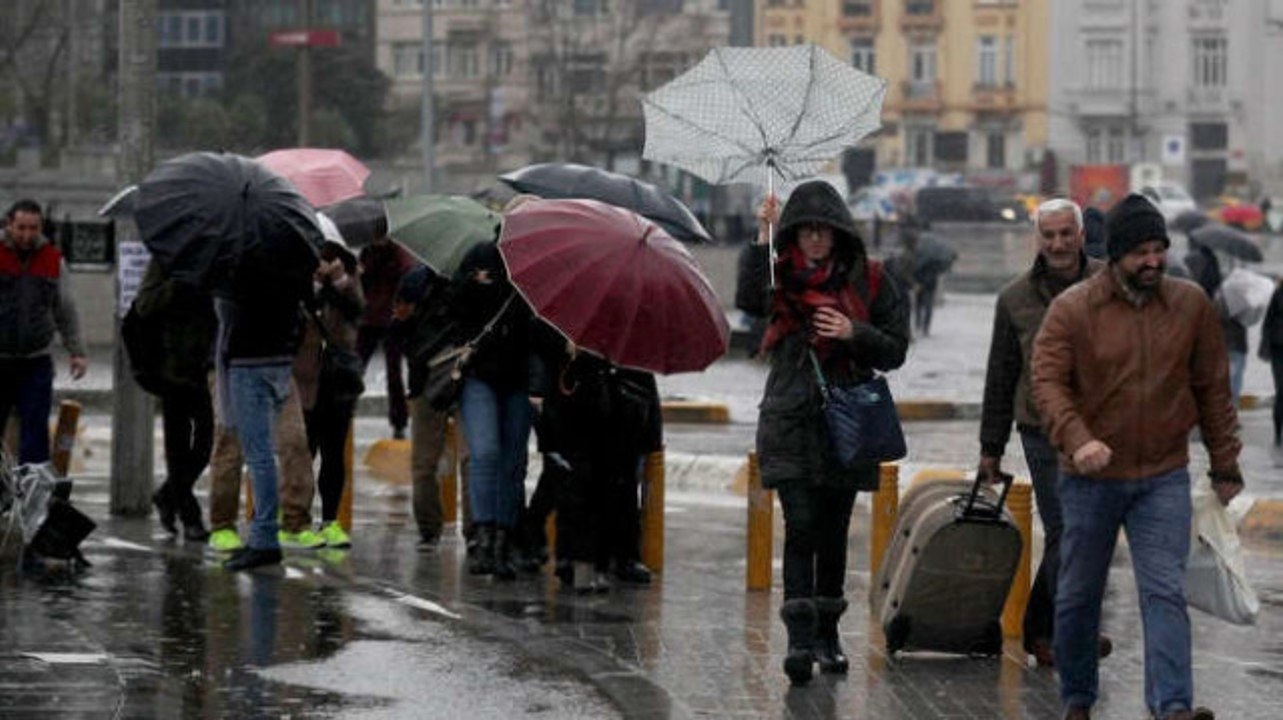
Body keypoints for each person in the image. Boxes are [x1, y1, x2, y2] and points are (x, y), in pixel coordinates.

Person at [1031, 193, 1243, 720]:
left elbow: (1213, 387)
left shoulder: (1190, 304)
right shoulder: (1073, 310)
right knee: (1079, 596)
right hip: (1089, 480)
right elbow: (1048, 383)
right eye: (1140, 252)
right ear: (1117, 255)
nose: (1152, 261)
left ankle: (1172, 706)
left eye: (1159, 249)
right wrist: (1078, 439)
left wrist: (1225, 463)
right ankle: (1078, 696)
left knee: (1164, 591)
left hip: (1163, 476)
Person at [735, 180, 909, 685]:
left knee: (832, 531)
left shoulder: (870, 280)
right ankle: (799, 641)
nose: (814, 240)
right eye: (805, 231)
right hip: (790, 415)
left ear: (839, 235)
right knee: (801, 524)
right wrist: (763, 231)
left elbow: (895, 349)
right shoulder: (780, 275)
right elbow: (748, 297)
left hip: (847, 420)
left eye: (823, 232)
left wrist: (854, 332)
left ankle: (828, 634)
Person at [977, 198, 1108, 667]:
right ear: (1038, 239)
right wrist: (990, 448)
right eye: (1048, 235)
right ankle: (1056, 632)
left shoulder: (1108, 283)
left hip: (1101, 428)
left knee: (1090, 531)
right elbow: (1000, 375)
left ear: (1081, 235)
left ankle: (1055, 629)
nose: (1057, 244)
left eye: (1065, 234)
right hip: (1041, 429)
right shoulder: (1015, 298)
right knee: (1067, 528)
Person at [217, 230, 320, 572]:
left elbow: (228, 315)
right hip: (278, 362)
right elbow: (304, 313)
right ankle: (266, 532)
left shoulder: (240, 263)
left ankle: (263, 538)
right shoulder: (295, 260)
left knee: (258, 454)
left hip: (249, 362)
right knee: (270, 452)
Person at [451, 241, 532, 580]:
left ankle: (505, 538)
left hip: (522, 378)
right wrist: (478, 283)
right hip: (479, 373)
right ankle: (482, 535)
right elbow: (453, 304)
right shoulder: (481, 255)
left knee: (513, 461)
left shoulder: (543, 270)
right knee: (484, 453)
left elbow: (544, 328)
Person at [129, 261, 216, 541]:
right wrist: (177, 284)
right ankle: (190, 517)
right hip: (171, 367)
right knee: (177, 448)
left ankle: (168, 495)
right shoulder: (166, 259)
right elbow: (144, 305)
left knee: (205, 445)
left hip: (205, 367)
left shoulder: (215, 260)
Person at [0, 199, 88, 464]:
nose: (27, 235)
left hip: (35, 360)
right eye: (21, 228)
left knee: (35, 435)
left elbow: (66, 308)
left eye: (33, 228)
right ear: (9, 225)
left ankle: (31, 496)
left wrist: (77, 352)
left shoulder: (51, 260)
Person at [395, 264, 472, 550]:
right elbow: (398, 330)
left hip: (443, 378)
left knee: (440, 461)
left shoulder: (417, 281)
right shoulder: (419, 282)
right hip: (437, 379)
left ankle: (436, 531)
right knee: (451, 459)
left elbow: (398, 332)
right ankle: (457, 531)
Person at [297, 242, 365, 548]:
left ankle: (330, 519)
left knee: (334, 454)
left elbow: (357, 312)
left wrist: (339, 281)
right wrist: (313, 282)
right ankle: (295, 518)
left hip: (339, 382)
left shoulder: (348, 279)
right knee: (301, 452)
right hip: (306, 381)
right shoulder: (299, 279)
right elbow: (293, 316)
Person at [357, 233, 417, 440]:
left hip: (388, 318)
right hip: (372, 317)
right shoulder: (370, 252)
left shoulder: (396, 253)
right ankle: (398, 421)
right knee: (358, 370)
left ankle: (399, 421)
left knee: (394, 373)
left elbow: (406, 276)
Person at [1260, 278, 1283, 466]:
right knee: (1281, 392)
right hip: (1279, 349)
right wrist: (1266, 347)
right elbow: (1268, 321)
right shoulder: (1278, 294)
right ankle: (1278, 432)